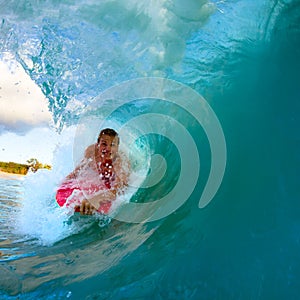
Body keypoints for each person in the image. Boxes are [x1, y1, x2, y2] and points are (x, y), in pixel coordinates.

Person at [56, 128, 130, 215]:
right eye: (104, 144)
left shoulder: (119, 162)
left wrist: (95, 199)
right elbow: (79, 170)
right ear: (98, 144)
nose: (108, 148)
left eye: (112, 145)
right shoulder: (91, 152)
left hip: (110, 182)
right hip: (98, 179)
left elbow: (119, 189)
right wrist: (63, 183)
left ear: (117, 147)